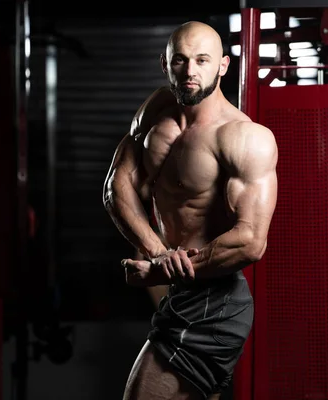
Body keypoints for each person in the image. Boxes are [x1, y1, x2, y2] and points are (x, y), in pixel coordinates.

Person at [102, 21, 278, 400]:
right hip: (182, 290)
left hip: (216, 299)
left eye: (202, 60)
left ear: (223, 66)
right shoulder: (154, 112)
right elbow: (118, 185)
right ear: (164, 64)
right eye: (180, 60)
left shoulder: (243, 137)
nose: (191, 71)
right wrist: (157, 251)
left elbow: (251, 242)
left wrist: (160, 270)